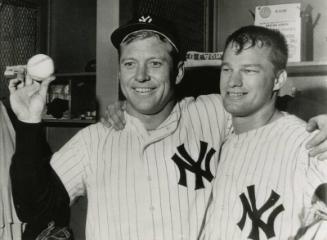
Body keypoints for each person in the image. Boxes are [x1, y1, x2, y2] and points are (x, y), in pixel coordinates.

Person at [8, 15, 327, 240]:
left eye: (156, 63)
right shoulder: (96, 138)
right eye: (129, 64)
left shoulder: (213, 113)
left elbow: (265, 109)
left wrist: (322, 123)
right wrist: (28, 123)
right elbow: (35, 207)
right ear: (119, 72)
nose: (141, 76)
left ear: (178, 72)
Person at [199, 26, 327, 239]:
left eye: (249, 70)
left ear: (278, 80)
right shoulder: (221, 138)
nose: (233, 81)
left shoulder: (306, 144)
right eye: (227, 69)